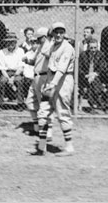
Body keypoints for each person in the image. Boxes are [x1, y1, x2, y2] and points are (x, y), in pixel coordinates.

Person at [29, 22, 75, 157]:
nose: (59, 34)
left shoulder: (67, 47)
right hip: (51, 80)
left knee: (62, 113)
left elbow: (62, 69)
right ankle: (41, 148)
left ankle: (69, 147)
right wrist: (48, 37)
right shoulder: (53, 46)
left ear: (65, 33)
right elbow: (44, 51)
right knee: (42, 113)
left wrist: (53, 83)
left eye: (61, 32)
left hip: (63, 81)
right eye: (56, 32)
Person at [79, 38, 108, 114]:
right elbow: (79, 68)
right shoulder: (83, 55)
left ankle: (92, 105)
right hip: (85, 78)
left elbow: (102, 68)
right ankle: (101, 103)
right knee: (94, 83)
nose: (93, 50)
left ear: (97, 47)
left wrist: (93, 75)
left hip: (96, 77)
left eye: (95, 48)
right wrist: (86, 75)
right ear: (88, 47)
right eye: (91, 48)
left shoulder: (101, 54)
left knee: (94, 82)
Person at [0, 32, 25, 110]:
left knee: (19, 81)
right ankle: (0, 103)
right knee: (2, 81)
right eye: (9, 42)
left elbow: (21, 66)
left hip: (17, 72)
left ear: (16, 42)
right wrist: (8, 78)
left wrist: (13, 77)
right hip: (6, 73)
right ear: (6, 42)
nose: (11, 43)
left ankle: (20, 104)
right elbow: (2, 68)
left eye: (13, 41)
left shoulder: (20, 51)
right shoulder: (2, 52)